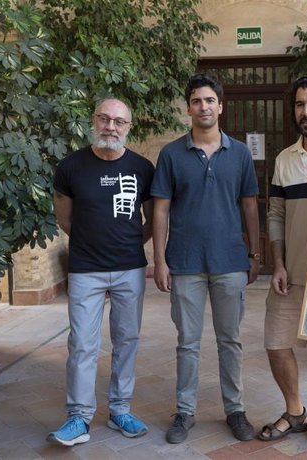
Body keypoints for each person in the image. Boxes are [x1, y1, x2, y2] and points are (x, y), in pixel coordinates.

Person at [151, 73, 260, 444]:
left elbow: (249, 205)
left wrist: (255, 253)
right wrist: (161, 261)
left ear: (220, 106)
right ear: (188, 108)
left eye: (209, 100)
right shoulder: (171, 154)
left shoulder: (240, 153)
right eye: (197, 101)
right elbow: (160, 210)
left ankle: (235, 410)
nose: (203, 107)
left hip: (230, 261)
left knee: (230, 340)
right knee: (188, 342)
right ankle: (184, 412)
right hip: (184, 263)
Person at [47, 98, 154, 446]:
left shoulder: (142, 168)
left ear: (128, 127)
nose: (111, 127)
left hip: (129, 269)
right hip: (85, 269)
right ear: (94, 120)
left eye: (118, 122)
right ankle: (78, 418)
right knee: (82, 344)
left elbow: (152, 219)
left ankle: (120, 409)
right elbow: (65, 219)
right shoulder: (71, 166)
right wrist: (92, 242)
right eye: (105, 119)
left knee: (127, 340)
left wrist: (127, 243)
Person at [257, 75, 307, 455]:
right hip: (289, 275)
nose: (306, 111)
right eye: (300, 105)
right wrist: (277, 263)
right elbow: (275, 214)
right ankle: (296, 414)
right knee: (276, 344)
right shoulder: (284, 160)